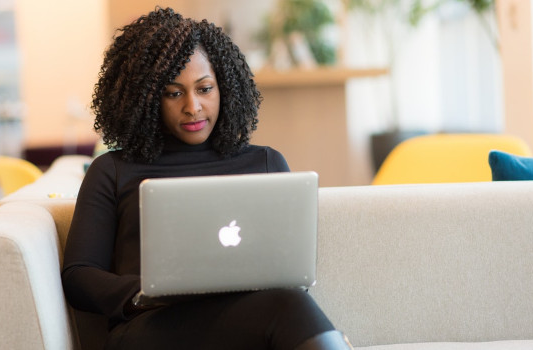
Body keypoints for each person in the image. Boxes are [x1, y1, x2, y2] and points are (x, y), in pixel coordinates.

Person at [62, 7, 352, 350]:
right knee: (289, 309)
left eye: (204, 88)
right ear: (146, 98)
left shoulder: (265, 163)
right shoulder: (112, 170)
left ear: (224, 88)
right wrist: (148, 291)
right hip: (150, 329)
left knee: (290, 303)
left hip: (250, 320)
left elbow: (287, 268)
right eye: (174, 93)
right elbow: (79, 275)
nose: (193, 106)